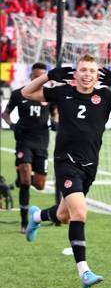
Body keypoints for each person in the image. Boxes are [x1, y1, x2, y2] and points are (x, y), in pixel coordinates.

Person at [22, 54, 111, 288]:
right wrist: (49, 76)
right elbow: (26, 93)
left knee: (64, 215)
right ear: (75, 73)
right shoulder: (62, 93)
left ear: (97, 74)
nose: (87, 74)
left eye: (92, 70)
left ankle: (36, 216)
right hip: (65, 162)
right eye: (83, 70)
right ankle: (84, 272)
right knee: (80, 212)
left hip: (89, 166)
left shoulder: (106, 96)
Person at [2, 63, 57, 233]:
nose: (38, 79)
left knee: (40, 185)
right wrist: (12, 125)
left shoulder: (50, 95)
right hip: (24, 141)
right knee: (26, 180)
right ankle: (24, 222)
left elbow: (55, 112)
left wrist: (55, 122)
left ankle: (20, 179)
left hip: (42, 143)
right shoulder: (19, 94)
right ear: (31, 77)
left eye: (41, 76)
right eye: (35, 76)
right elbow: (5, 113)